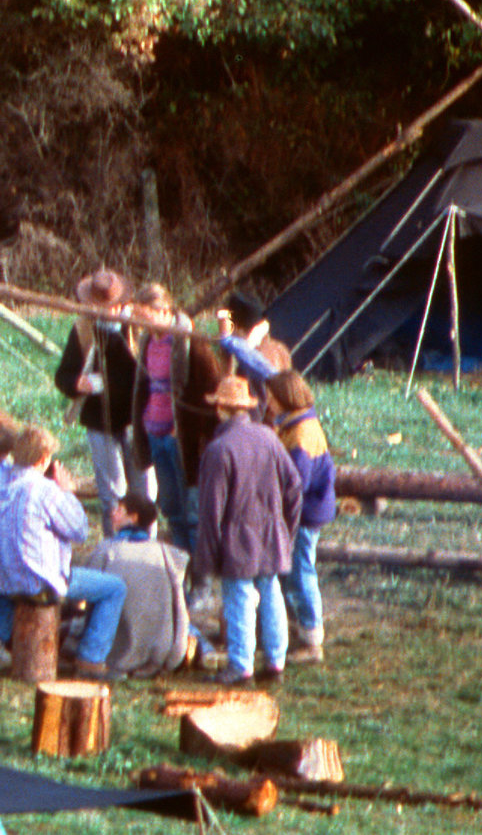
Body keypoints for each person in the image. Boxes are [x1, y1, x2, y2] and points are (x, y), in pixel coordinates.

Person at [0, 425, 128, 682]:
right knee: (114, 588)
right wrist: (67, 491)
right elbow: (80, 531)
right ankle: (91, 659)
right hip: (41, 583)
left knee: (16, 567)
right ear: (44, 459)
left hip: (2, 581)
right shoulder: (44, 491)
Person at [197, 374, 302, 684]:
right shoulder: (269, 437)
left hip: (237, 540)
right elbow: (295, 487)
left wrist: (209, 554)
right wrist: (287, 530)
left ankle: (241, 666)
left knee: (240, 599)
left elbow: (210, 510)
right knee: (271, 595)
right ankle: (275, 663)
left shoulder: (219, 450)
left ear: (221, 410)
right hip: (271, 535)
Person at [57, 269, 150, 535]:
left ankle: (144, 548)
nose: (103, 311)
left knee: (142, 493)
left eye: (109, 306)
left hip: (136, 422)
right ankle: (115, 549)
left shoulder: (139, 327)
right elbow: (63, 374)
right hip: (100, 422)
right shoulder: (84, 328)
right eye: (98, 306)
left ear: (122, 304)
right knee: (113, 495)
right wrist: (77, 383)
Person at [77, 494, 201, 677]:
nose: (112, 513)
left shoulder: (107, 550)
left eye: (119, 510)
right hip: (161, 648)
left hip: (116, 649)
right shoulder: (167, 554)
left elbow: (84, 596)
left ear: (133, 517)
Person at [268, 371, 336, 664]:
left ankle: (311, 639)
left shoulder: (302, 434)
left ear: (284, 398)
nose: (267, 401)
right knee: (296, 571)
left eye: (271, 396)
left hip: (305, 514)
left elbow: (296, 484)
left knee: (301, 572)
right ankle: (300, 627)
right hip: (305, 510)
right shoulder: (294, 424)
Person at [133, 283, 194, 549]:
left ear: (163, 310)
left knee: (190, 507)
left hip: (176, 434)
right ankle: (180, 563)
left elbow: (189, 385)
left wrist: (179, 427)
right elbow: (145, 385)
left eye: (145, 317)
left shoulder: (183, 339)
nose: (141, 324)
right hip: (154, 430)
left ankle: (197, 570)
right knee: (170, 507)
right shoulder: (147, 339)